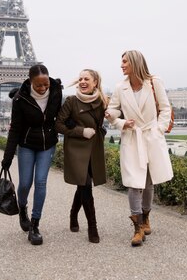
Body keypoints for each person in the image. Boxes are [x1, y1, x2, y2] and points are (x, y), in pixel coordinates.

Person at [105, 50, 174, 246]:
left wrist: (159, 129)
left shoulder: (154, 82)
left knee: (149, 182)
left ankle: (145, 218)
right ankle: (137, 228)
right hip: (132, 137)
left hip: (150, 136)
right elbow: (113, 110)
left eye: (125, 62)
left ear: (135, 63)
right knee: (133, 182)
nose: (121, 65)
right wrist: (119, 122)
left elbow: (165, 107)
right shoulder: (120, 87)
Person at [1, 64, 63, 246]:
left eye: (46, 84)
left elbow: (61, 116)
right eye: (38, 85)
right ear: (30, 81)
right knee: (26, 183)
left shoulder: (56, 91)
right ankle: (22, 209)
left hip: (47, 145)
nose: (43, 88)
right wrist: (7, 157)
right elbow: (15, 129)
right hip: (27, 145)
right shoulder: (20, 99)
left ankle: (35, 225)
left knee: (41, 182)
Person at [56, 69, 108, 243]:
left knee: (83, 184)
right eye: (80, 79)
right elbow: (59, 125)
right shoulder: (71, 101)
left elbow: (116, 115)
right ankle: (93, 228)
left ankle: (73, 214)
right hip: (76, 149)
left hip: (94, 148)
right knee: (85, 185)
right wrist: (81, 131)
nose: (82, 82)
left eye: (87, 79)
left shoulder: (102, 101)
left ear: (95, 82)